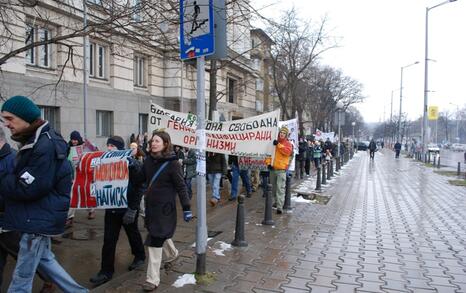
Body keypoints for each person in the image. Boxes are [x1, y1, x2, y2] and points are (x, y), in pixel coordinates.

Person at [0, 95, 87, 292]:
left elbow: (28, 186)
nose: (6, 124)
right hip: (38, 217)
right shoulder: (37, 140)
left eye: (10, 119)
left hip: (37, 220)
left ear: (25, 117)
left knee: (21, 278)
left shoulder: (43, 145)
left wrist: (3, 179)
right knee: (47, 262)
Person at [90, 136, 146, 286]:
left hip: (127, 208)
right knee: (109, 240)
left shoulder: (132, 164)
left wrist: (133, 209)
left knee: (132, 234)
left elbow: (140, 186)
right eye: (108, 145)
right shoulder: (105, 162)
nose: (109, 148)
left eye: (112, 146)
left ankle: (140, 256)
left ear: (120, 149)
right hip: (112, 208)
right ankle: (106, 271)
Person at [140, 131, 192, 291]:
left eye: (157, 141)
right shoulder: (148, 160)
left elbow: (181, 186)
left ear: (165, 144)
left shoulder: (172, 163)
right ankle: (172, 254)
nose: (153, 143)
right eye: (152, 141)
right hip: (151, 207)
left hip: (165, 209)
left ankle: (152, 279)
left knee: (154, 240)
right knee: (158, 233)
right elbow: (139, 180)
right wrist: (131, 166)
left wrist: (186, 208)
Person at [269, 126, 293, 214]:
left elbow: (287, 152)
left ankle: (280, 206)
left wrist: (278, 145)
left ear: (286, 135)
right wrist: (268, 163)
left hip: (281, 170)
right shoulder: (274, 142)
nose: (282, 134)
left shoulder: (288, 144)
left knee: (280, 188)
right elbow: (269, 154)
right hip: (273, 169)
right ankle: (277, 202)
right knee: (274, 188)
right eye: (281, 133)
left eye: (283, 133)